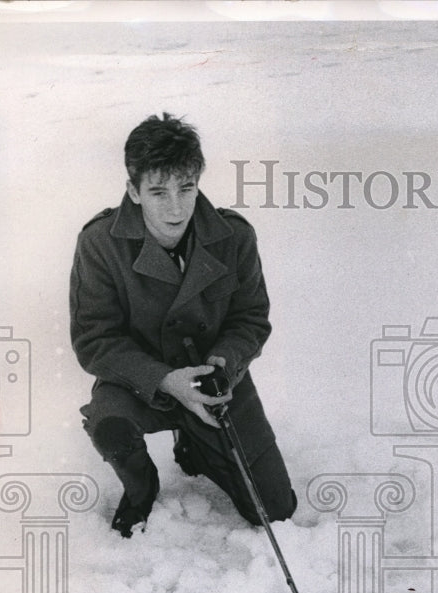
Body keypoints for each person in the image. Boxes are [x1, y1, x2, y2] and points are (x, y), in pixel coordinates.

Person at [70, 112, 296, 537]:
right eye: (158, 192)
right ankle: (141, 486)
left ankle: (198, 447)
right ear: (133, 191)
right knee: (110, 425)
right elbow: (95, 339)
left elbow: (250, 318)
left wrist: (223, 365)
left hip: (213, 382)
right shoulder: (100, 243)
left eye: (186, 188)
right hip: (140, 382)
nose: (175, 207)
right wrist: (164, 380)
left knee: (276, 509)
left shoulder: (234, 236)